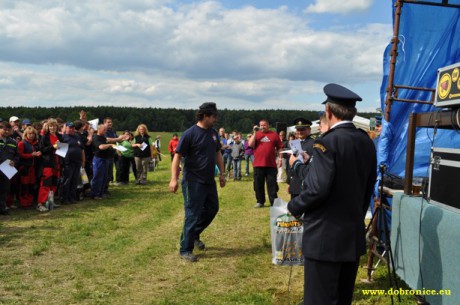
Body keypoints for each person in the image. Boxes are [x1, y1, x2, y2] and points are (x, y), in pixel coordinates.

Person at [287, 83, 377, 305]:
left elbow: (317, 188)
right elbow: (368, 185)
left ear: (328, 111)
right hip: (351, 235)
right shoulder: (365, 140)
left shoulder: (327, 142)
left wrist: (294, 206)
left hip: (325, 238)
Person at [169, 102, 226, 262]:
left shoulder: (213, 133)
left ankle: (194, 234)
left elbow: (218, 154)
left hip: (209, 181)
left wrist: (222, 174)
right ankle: (185, 249)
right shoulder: (190, 134)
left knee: (212, 208)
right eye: (214, 116)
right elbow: (177, 156)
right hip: (193, 181)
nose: (215, 119)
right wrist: (174, 179)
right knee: (192, 214)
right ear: (205, 116)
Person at [248, 119, 283, 208]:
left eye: (264, 125)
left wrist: (280, 159)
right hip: (258, 164)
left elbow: (279, 148)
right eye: (261, 125)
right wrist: (254, 133)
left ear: (268, 125)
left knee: (272, 185)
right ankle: (260, 201)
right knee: (258, 184)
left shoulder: (274, 135)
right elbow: (250, 144)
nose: (263, 127)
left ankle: (274, 202)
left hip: (271, 164)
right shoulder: (257, 134)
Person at [91, 124, 127, 200]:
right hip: (99, 159)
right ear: (99, 129)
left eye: (106, 130)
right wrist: (110, 145)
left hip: (105, 159)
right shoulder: (96, 137)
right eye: (104, 130)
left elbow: (109, 140)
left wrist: (119, 139)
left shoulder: (103, 137)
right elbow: (101, 147)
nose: (105, 131)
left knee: (105, 177)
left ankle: (102, 192)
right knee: (98, 176)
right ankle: (95, 194)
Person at [38, 118, 63, 212]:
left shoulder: (60, 136)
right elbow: (41, 149)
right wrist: (52, 147)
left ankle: (50, 201)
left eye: (54, 126)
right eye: (51, 126)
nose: (52, 127)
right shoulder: (45, 137)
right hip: (47, 164)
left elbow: (62, 149)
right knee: (45, 184)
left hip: (57, 163)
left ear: (57, 127)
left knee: (54, 183)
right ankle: (40, 203)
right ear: (48, 127)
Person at [286, 118, 314, 199]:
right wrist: (289, 181)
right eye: (298, 129)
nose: (299, 132)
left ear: (309, 130)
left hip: (305, 181)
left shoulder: (313, 143)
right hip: (295, 181)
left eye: (302, 129)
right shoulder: (294, 143)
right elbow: (291, 163)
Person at [17, 126, 41, 208]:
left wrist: (38, 154)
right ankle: (24, 202)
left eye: (33, 134)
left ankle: (30, 202)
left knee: (31, 185)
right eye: (29, 134)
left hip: (33, 168)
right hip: (25, 168)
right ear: (26, 134)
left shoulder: (35, 144)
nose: (31, 135)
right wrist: (31, 155)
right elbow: (19, 155)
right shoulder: (22, 143)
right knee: (24, 185)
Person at [61, 122, 85, 204]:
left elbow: (82, 149)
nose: (71, 129)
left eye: (73, 128)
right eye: (69, 127)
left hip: (77, 162)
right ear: (66, 128)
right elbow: (60, 152)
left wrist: (83, 160)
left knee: (74, 181)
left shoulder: (77, 137)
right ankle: (64, 198)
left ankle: (72, 197)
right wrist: (62, 163)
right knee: (67, 181)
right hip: (68, 163)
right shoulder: (63, 137)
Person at [0, 121, 19, 215]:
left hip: (7, 169)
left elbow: (17, 155)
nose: (7, 131)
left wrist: (14, 161)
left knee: (4, 189)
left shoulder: (13, 142)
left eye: (8, 129)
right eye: (4, 129)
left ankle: (2, 208)